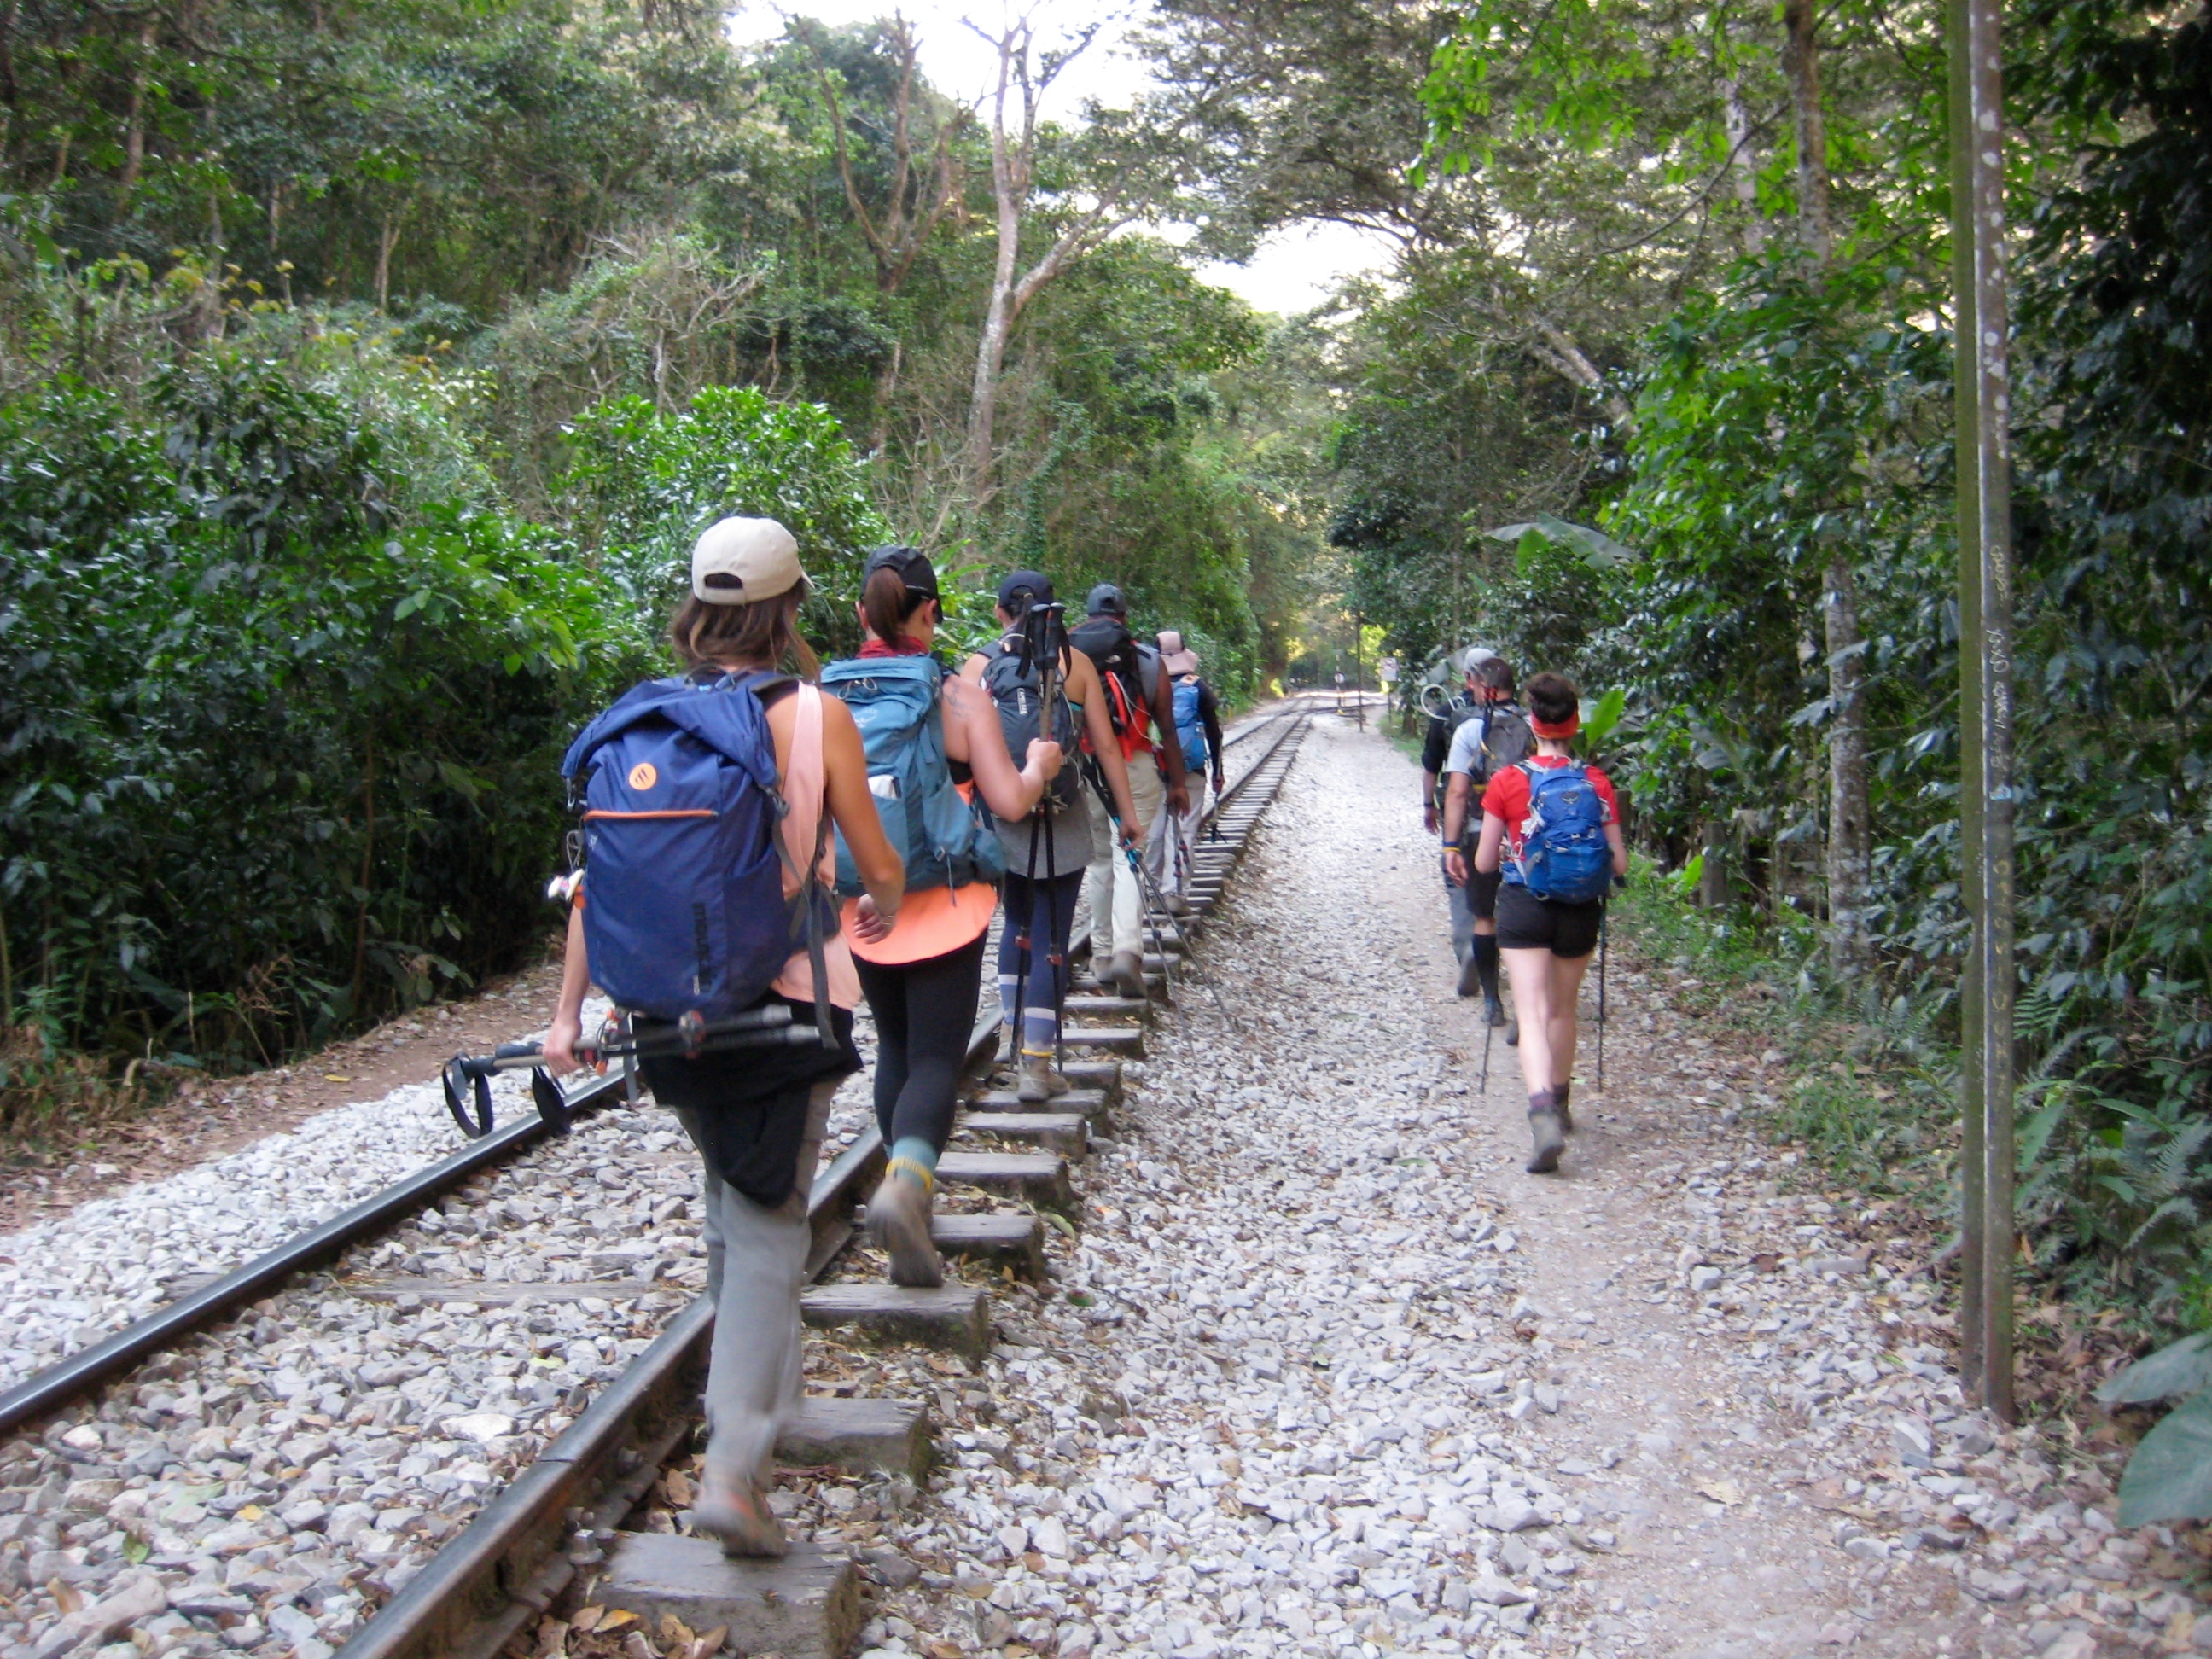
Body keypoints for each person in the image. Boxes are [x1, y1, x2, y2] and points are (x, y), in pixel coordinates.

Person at [544, 516, 904, 1557]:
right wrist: (879, 896)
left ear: (697, 611)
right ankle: (737, 1470)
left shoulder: (631, 721)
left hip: (662, 1014)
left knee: (732, 1204)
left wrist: (568, 1016)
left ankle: (770, 1407)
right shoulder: (814, 715)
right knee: (766, 1222)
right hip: (783, 1003)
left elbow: (592, 891)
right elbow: (876, 861)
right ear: (790, 609)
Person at [824, 547, 1063, 1289]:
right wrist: (1042, 767)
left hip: (862, 900)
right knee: (937, 1056)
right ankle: (908, 1186)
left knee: (895, 1042)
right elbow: (1011, 800)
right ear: (931, 613)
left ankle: (905, 1180)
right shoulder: (959, 695)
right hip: (948, 900)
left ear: (862, 614)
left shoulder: (822, 697)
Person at [963, 572, 1144, 1092]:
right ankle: (1037, 1065)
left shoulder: (977, 666)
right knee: (1052, 937)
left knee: (1016, 926)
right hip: (1062, 816)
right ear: (1053, 612)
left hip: (1002, 816)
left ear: (1001, 612)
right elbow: (1105, 749)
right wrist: (1124, 816)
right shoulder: (1076, 664)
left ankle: (1009, 1035)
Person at [1447, 671, 1627, 1174]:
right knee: (1562, 1010)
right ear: (1575, 723)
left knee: (1530, 1010)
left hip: (1524, 906)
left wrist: (1509, 849)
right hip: (1580, 909)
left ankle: (1542, 1111)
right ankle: (1564, 1101)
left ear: (1533, 722)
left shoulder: (1508, 780)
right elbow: (1620, 864)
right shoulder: (1596, 781)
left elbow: (1484, 863)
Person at [1067, 585, 1188, 999]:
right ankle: (1127, 951)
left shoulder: (1068, 658)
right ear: (1124, 615)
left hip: (1084, 770)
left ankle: (1101, 956)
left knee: (1100, 860)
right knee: (1129, 858)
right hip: (1133, 766)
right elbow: (1167, 730)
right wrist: (1176, 783)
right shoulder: (1148, 661)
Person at [1437, 655, 1533, 1032]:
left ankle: (1493, 1002)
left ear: (1484, 687)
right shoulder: (1533, 724)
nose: (1471, 691)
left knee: (1485, 918)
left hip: (1482, 835)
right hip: (1528, 838)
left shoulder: (1469, 730)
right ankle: (1527, 1008)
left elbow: (1458, 793)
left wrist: (1450, 847)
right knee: (1524, 921)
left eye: (1474, 685)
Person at [1145, 630, 1225, 915]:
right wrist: (1217, 770)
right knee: (1184, 829)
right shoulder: (1197, 686)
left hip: (1153, 766)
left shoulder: (1146, 683)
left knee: (1154, 831)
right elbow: (1214, 732)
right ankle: (1175, 894)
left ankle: (1151, 893)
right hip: (1191, 768)